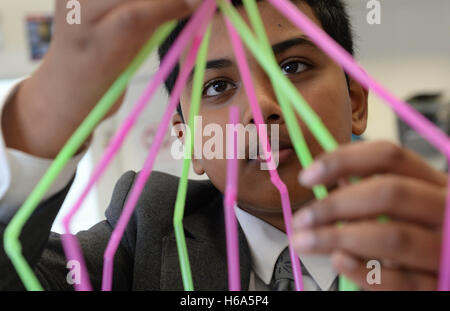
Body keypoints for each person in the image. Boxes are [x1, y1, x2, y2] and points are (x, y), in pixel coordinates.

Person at [0, 0, 447, 290]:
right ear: (189, 141)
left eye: (292, 66)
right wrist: (40, 114)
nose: (261, 110)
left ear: (356, 102)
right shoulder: (141, 235)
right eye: (216, 87)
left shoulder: (429, 238)